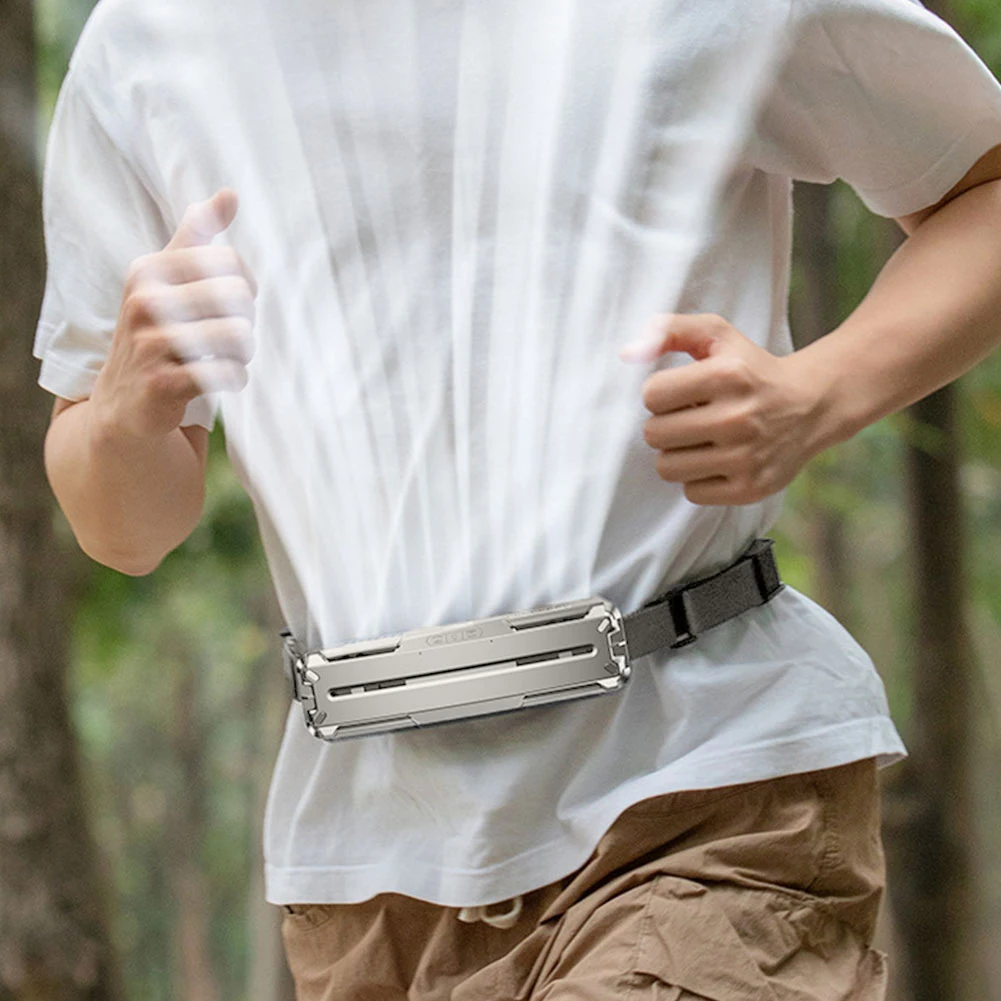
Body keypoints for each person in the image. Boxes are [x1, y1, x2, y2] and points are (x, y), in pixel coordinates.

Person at [33, 0, 1001, 996]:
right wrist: (123, 409)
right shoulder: (146, 39)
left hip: (697, 781)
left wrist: (816, 392)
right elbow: (124, 528)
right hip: (366, 873)